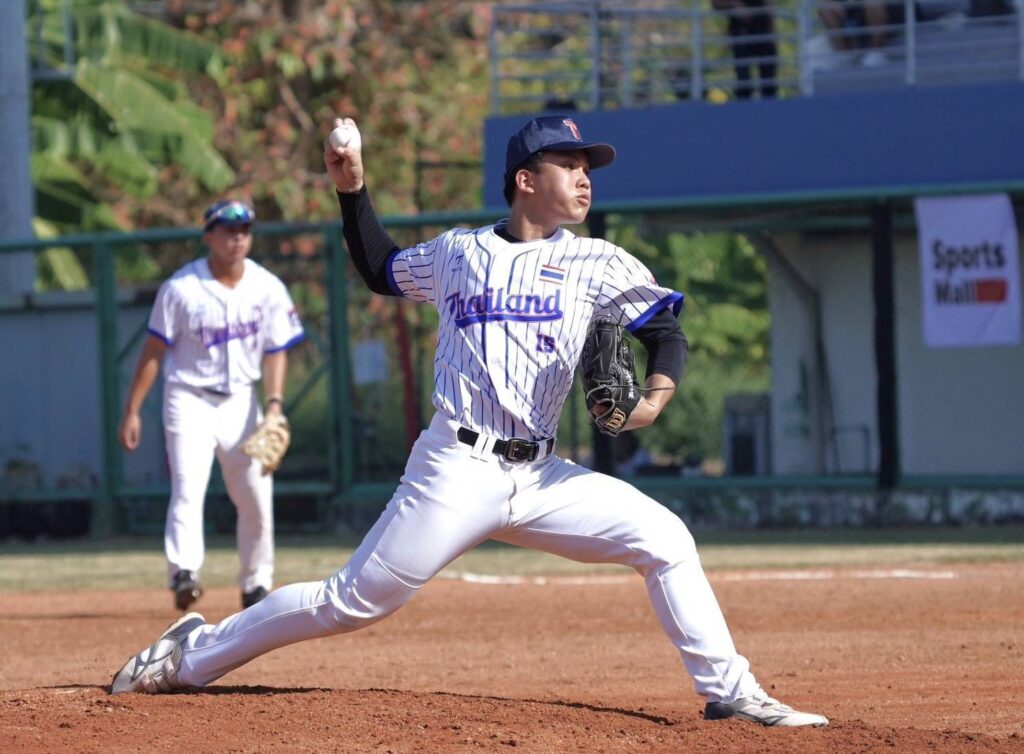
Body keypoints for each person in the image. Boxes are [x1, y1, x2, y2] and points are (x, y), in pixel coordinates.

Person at [109, 116, 829, 728]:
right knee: (349, 602)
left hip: (542, 476)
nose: (585, 178)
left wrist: (655, 398)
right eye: (569, 165)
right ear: (525, 180)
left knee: (665, 539)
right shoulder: (460, 254)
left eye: (588, 168)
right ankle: (188, 654)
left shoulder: (598, 262)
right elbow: (381, 268)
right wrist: (352, 187)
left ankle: (731, 692)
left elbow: (664, 330)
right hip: (455, 467)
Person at [117, 199, 305, 611]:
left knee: (255, 494)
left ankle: (256, 583)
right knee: (188, 486)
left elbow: (276, 350)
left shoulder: (267, 287)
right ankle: (184, 572)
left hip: (242, 400)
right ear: (208, 236)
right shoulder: (181, 288)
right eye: (227, 230)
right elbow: (152, 351)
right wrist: (132, 410)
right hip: (188, 398)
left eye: (244, 231)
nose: (237, 238)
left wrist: (274, 404)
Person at [712, 0, 778, 99]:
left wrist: (772, 28)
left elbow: (769, 5)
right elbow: (716, 4)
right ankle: (744, 102)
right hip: (741, 33)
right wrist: (735, 4)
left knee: (769, 79)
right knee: (743, 79)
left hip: (763, 32)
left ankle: (769, 104)